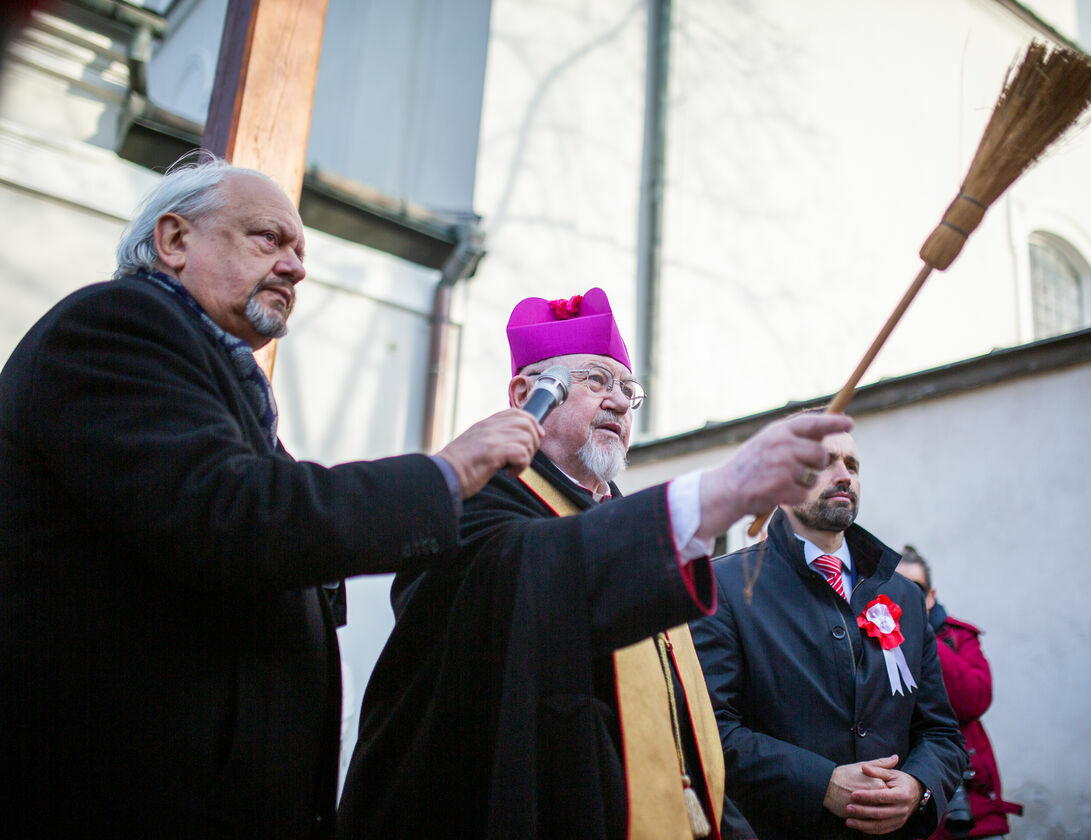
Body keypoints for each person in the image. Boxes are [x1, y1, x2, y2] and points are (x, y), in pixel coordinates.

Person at [0, 155, 541, 839]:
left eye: (300, 250)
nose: (296, 267)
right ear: (173, 241)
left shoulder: (218, 380)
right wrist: (445, 476)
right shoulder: (114, 328)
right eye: (268, 239)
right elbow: (231, 515)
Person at [336, 287, 853, 839]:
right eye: (595, 381)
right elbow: (523, 581)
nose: (619, 402)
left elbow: (683, 719)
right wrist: (712, 496)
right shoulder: (472, 498)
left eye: (628, 389)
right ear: (523, 393)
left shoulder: (631, 526)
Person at [690, 423, 966, 840]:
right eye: (824, 464)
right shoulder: (725, 586)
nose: (844, 475)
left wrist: (918, 787)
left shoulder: (904, 596)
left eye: (852, 465)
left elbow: (941, 733)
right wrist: (821, 784)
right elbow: (710, 731)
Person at [895, 546, 1021, 839]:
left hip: (970, 807)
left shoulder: (957, 637)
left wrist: (920, 635)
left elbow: (976, 698)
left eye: (916, 590)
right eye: (898, 588)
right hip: (906, 805)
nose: (907, 597)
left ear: (931, 596)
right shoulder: (870, 634)